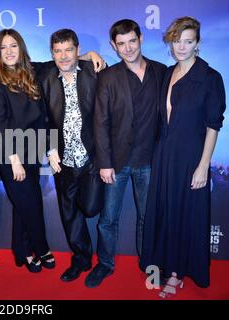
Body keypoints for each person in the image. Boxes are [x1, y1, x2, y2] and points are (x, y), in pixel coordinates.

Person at [140, 17, 226, 297]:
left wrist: (203, 167)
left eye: (188, 41)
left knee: (183, 214)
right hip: (164, 155)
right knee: (163, 212)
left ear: (197, 43)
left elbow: (213, 125)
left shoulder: (210, 78)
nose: (182, 46)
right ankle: (162, 266)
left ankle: (177, 274)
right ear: (170, 41)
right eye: (177, 40)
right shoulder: (167, 73)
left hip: (190, 158)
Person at [91, 19, 166, 288]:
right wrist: (105, 163)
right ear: (114, 46)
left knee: (148, 217)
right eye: (121, 44)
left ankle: (149, 263)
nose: (128, 48)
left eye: (132, 41)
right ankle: (105, 264)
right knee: (108, 219)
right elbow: (100, 122)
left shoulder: (161, 72)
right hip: (117, 163)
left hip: (150, 160)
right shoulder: (108, 77)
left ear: (141, 38)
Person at [0, 28, 55, 273]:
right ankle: (42, 248)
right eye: (3, 47)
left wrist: (88, 55)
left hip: (33, 150)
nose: (9, 51)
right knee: (32, 203)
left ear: (21, 48)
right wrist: (14, 160)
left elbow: (60, 59)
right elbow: (0, 124)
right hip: (10, 153)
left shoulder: (33, 72)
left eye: (13, 45)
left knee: (24, 203)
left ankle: (21, 250)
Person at [37, 29, 100, 281]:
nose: (63, 56)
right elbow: (41, 118)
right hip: (62, 160)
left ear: (78, 49)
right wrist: (50, 150)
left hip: (92, 157)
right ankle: (81, 259)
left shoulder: (95, 72)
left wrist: (90, 55)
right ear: (51, 53)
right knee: (69, 213)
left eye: (69, 50)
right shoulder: (44, 77)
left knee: (91, 208)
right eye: (57, 51)